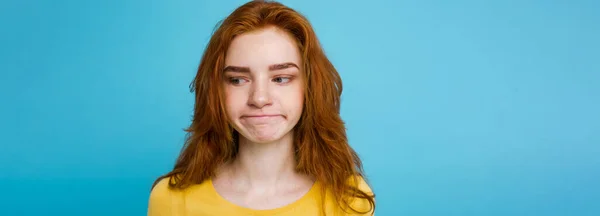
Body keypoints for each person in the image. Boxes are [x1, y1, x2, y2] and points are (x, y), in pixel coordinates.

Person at [147, 0, 376, 215]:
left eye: (281, 78)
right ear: (215, 90)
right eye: (238, 80)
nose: (259, 98)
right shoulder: (172, 199)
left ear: (310, 87)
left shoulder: (349, 199)